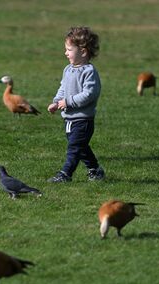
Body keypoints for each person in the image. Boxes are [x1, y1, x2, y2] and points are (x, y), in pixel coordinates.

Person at [47, 26, 105, 182]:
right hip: (69, 119)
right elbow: (63, 87)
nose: (66, 53)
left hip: (83, 120)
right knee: (81, 148)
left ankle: (65, 174)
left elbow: (89, 95)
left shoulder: (89, 72)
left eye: (69, 50)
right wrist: (56, 102)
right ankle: (95, 170)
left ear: (83, 52)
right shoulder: (68, 69)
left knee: (74, 148)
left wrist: (68, 102)